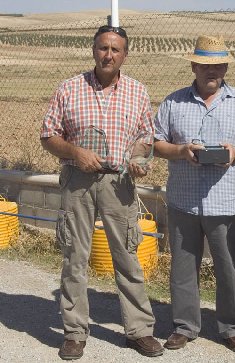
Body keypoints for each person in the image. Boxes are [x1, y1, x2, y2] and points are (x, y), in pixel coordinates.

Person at [40, 25, 163, 360]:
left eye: (115, 49)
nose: (108, 55)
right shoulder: (69, 88)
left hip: (118, 184)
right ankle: (74, 332)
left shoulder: (137, 92)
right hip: (77, 181)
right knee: (74, 257)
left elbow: (146, 137)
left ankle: (139, 331)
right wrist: (75, 152)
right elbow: (48, 135)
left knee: (127, 256)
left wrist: (139, 158)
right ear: (93, 50)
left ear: (125, 54)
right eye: (103, 48)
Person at [153, 35, 235, 353]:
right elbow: (156, 143)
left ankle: (231, 327)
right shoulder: (173, 102)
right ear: (194, 65)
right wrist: (181, 150)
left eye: (218, 65)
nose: (211, 70)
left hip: (226, 201)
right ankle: (184, 326)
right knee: (183, 266)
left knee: (229, 267)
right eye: (205, 64)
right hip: (183, 200)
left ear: (226, 66)